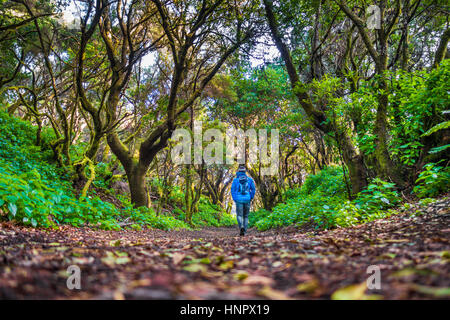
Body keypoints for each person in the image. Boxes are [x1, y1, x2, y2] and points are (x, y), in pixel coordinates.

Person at [231, 164, 256, 236]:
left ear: (238, 171)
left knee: (239, 215)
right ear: (245, 172)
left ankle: (241, 227)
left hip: (239, 199)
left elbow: (233, 190)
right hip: (247, 199)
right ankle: (244, 231)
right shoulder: (250, 179)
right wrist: (251, 197)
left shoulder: (235, 180)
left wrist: (235, 198)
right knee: (246, 216)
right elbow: (253, 189)